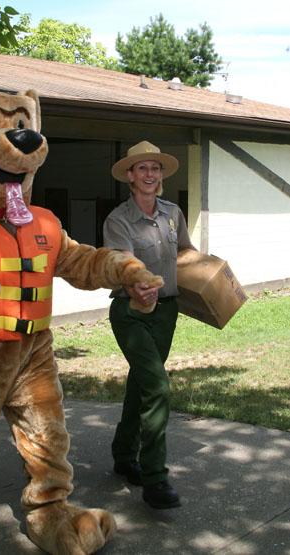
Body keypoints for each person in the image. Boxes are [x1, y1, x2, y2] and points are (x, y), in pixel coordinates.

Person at [103, 140, 196, 509]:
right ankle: (155, 479)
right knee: (157, 386)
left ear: (161, 175)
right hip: (131, 312)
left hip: (166, 312)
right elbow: (126, 265)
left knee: (142, 383)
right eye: (142, 168)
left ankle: (124, 456)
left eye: (155, 168)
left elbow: (187, 252)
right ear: (130, 175)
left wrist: (209, 278)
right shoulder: (118, 220)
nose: (149, 174)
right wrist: (140, 287)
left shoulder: (173, 213)